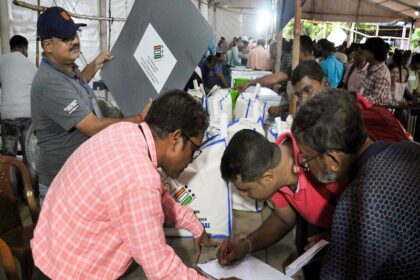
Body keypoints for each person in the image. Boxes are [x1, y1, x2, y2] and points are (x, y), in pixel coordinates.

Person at [31, 90, 220, 279]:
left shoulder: (126, 131)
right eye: (194, 150)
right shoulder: (139, 178)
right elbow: (161, 269)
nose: (191, 160)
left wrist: (195, 227)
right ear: (176, 138)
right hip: (68, 272)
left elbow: (158, 199)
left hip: (52, 252)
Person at [291, 89, 420, 279]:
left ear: (333, 160)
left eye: (307, 157)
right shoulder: (408, 149)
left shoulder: (360, 199)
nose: (303, 164)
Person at [31, 6, 151, 205]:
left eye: (75, 34)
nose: (75, 41)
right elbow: (92, 126)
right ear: (48, 46)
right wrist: (137, 119)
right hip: (63, 186)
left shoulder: (65, 69)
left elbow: (77, 85)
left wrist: (95, 65)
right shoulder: (50, 81)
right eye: (66, 38)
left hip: (77, 177)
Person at [291, 60, 412, 143]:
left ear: (325, 83)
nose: (303, 100)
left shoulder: (353, 112)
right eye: (298, 94)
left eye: (308, 90)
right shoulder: (326, 112)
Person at [0, 35, 38, 194]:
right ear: (24, 48)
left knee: (10, 157)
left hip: (8, 115)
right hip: (29, 115)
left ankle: (11, 196)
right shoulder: (32, 66)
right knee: (30, 157)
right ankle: (30, 195)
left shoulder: (2, 61)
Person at [237, 35, 314, 92]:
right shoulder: (297, 67)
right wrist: (249, 83)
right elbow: (274, 78)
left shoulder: (314, 70)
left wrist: (280, 108)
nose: (291, 53)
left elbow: (308, 103)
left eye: (293, 50)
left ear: (305, 53)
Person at [360, 37, 391, 105]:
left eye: (365, 50)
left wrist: (358, 100)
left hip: (372, 113)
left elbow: (378, 98)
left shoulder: (382, 74)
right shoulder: (371, 68)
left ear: (373, 52)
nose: (363, 52)